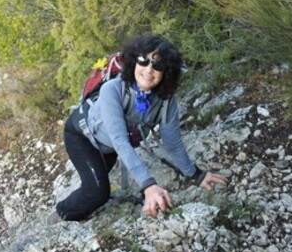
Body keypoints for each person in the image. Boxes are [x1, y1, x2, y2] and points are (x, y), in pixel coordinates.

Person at [50, 33, 227, 223]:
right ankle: (60, 217)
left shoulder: (165, 102)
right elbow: (120, 141)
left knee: (96, 185)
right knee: (97, 192)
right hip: (82, 136)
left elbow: (172, 144)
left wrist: (197, 175)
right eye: (144, 60)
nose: (148, 69)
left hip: (107, 145)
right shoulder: (112, 89)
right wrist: (148, 186)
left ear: (166, 72)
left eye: (158, 65)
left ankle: (76, 211)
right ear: (134, 61)